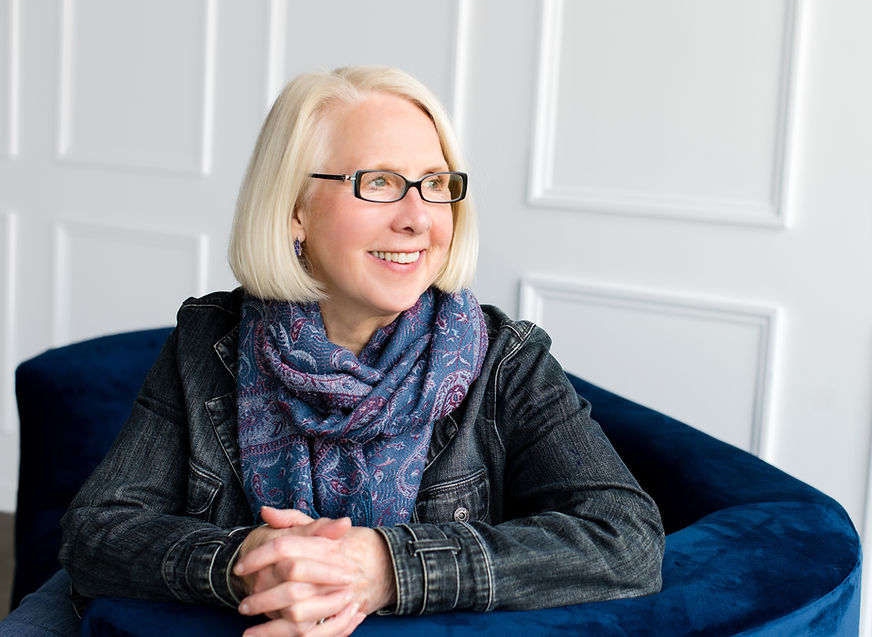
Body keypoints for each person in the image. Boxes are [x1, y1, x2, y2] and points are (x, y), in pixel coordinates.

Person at [6, 66, 664, 637]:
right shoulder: (209, 343)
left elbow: (624, 537)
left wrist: (382, 565)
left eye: (436, 182)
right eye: (379, 182)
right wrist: (251, 560)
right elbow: (95, 531)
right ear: (295, 209)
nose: (418, 217)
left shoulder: (505, 359)